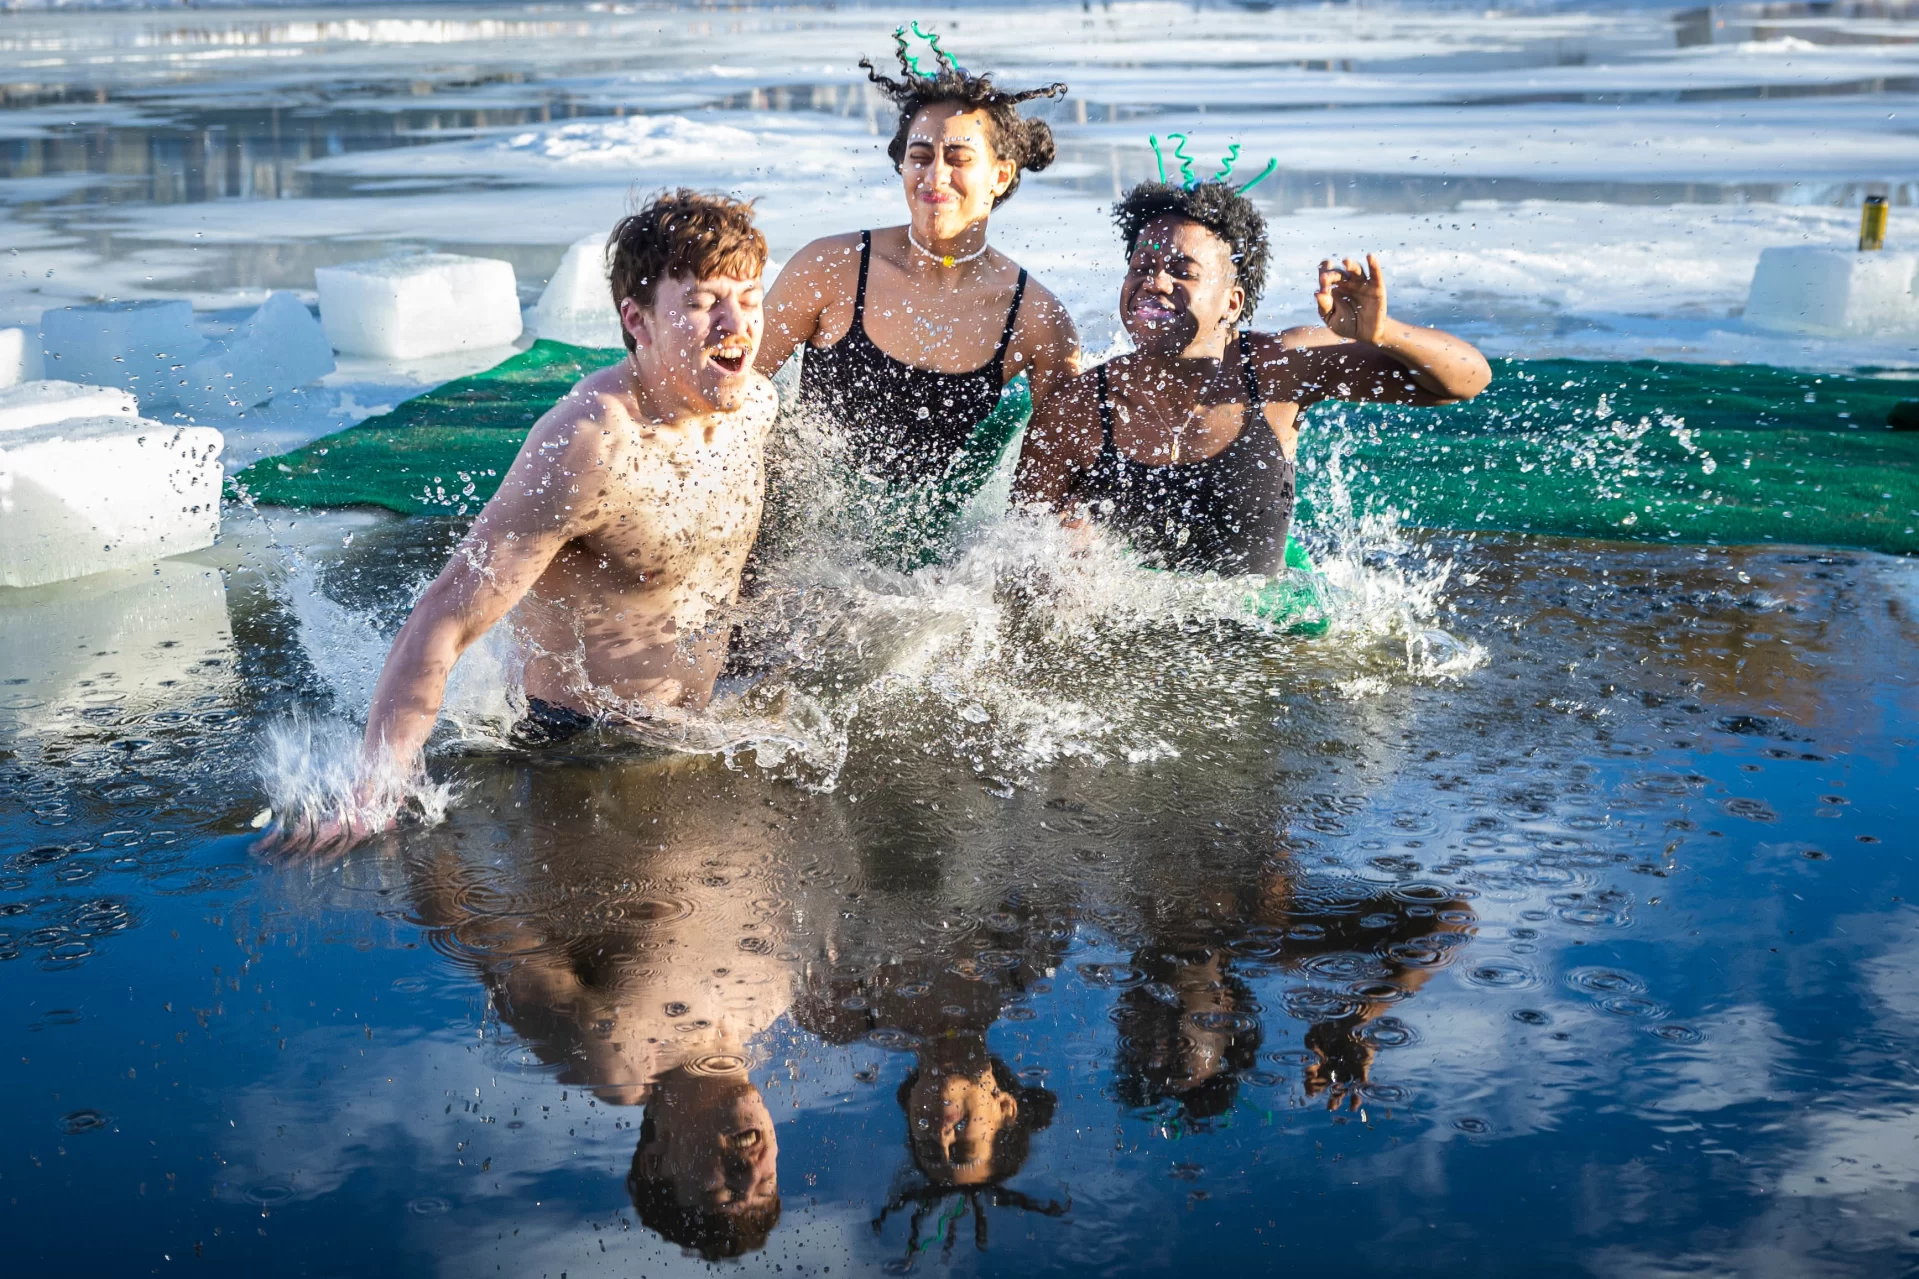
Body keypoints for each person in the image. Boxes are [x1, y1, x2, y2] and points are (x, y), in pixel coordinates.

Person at [262, 189, 777, 852]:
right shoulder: (590, 441)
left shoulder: (752, 405)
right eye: (705, 303)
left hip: (691, 731)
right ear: (638, 320)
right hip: (578, 752)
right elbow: (443, 615)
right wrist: (377, 787)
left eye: (749, 297)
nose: (736, 325)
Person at [1013, 176, 1492, 577]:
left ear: (1232, 303)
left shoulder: (1277, 368)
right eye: (1142, 267)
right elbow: (1017, 550)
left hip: (1271, 639)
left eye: (1183, 271)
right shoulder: (1079, 408)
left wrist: (1385, 334)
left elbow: (1466, 380)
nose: (1154, 282)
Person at [755, 29, 1081, 563]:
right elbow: (731, 395)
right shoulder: (832, 267)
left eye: (958, 157)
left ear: (1000, 175)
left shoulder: (1036, 319)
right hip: (799, 542)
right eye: (921, 155)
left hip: (922, 571)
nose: (936, 175)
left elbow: (1059, 481)